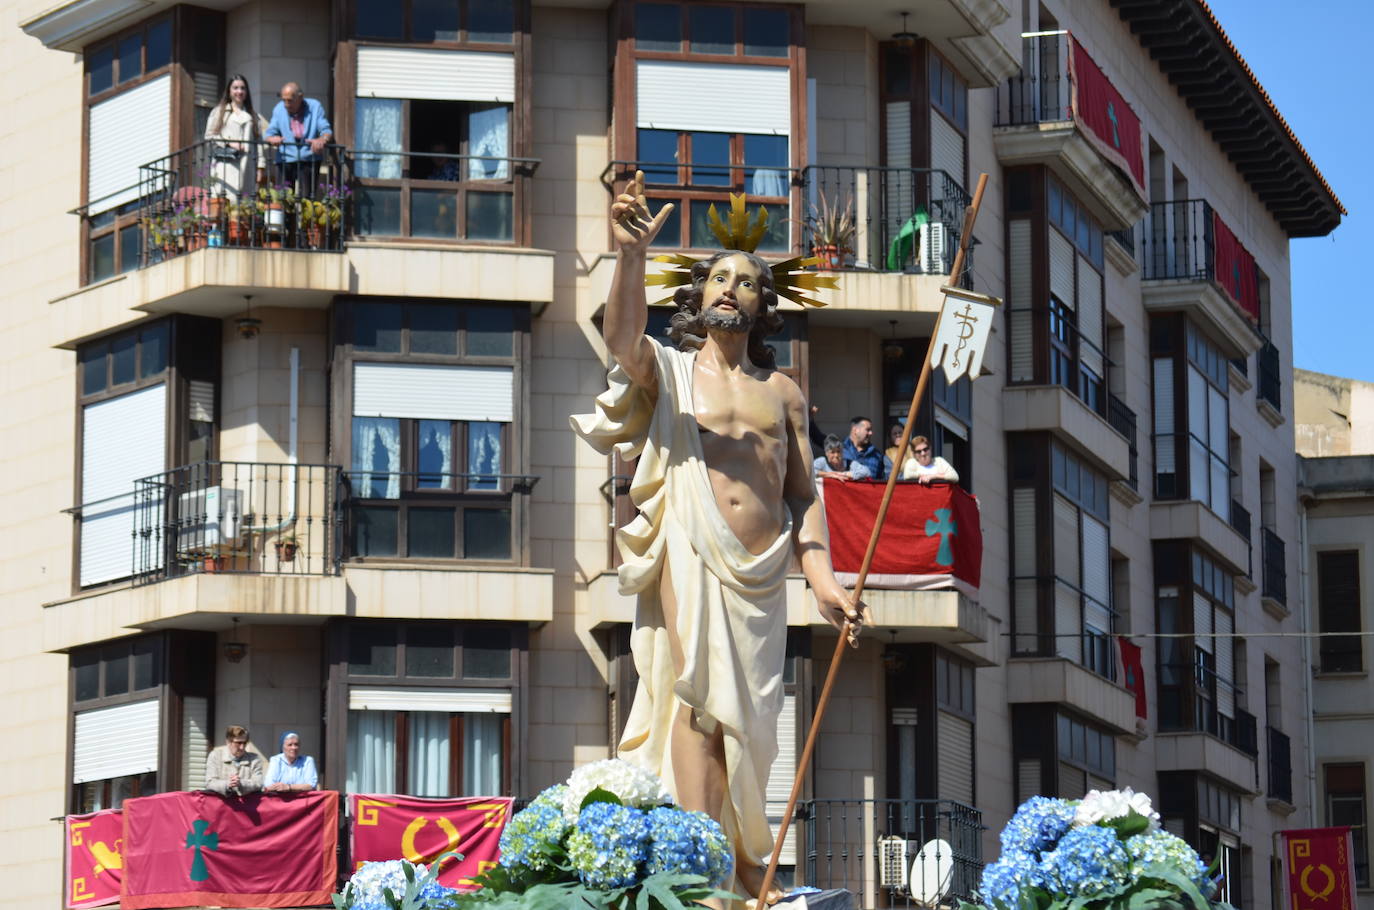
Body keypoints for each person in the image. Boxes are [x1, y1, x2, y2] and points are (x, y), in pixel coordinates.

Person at [571, 171, 866, 904]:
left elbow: (804, 499)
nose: (731, 288)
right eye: (719, 278)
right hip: (692, 549)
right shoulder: (668, 373)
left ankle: (736, 869)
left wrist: (825, 583)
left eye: (747, 281)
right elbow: (619, 340)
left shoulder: (784, 393)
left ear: (767, 306)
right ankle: (705, 877)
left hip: (762, 578)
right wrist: (631, 254)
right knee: (699, 704)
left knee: (751, 734)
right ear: (698, 297)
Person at [204, 74, 268, 201]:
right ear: (229, 91)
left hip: (248, 166)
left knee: (244, 205)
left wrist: (260, 168)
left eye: (243, 88)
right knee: (224, 201)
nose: (239, 91)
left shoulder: (253, 115)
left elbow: (258, 143)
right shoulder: (219, 112)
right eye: (235, 88)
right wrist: (229, 143)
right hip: (226, 164)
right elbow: (209, 136)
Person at [265, 82, 333, 197]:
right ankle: (287, 216)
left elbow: (326, 130)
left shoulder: (315, 106)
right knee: (283, 198)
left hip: (308, 158)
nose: (286, 104)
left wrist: (322, 139)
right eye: (284, 100)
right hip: (285, 158)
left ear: (300, 97)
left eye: (290, 100)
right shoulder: (279, 108)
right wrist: (272, 138)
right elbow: (269, 133)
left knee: (307, 199)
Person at [205, 725, 266, 796]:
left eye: (245, 743)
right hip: (221, 804)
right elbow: (209, 783)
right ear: (228, 742)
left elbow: (259, 783)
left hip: (246, 805)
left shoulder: (254, 759)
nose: (242, 747)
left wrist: (241, 783)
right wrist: (228, 784)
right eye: (238, 743)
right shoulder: (215, 756)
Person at [842, 416, 886, 480]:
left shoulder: (877, 455)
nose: (871, 433)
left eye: (871, 430)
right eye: (868, 430)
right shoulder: (840, 450)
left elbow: (882, 481)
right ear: (855, 430)